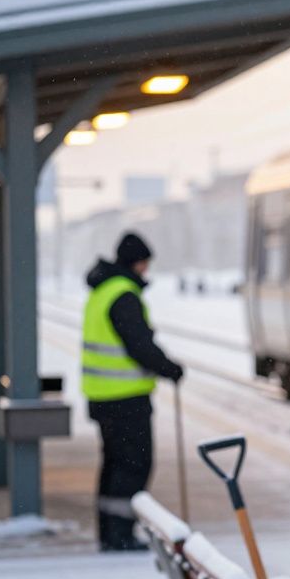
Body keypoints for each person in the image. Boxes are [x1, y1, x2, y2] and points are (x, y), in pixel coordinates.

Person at [81, 232, 184, 551]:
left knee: (114, 465)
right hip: (125, 399)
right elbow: (139, 346)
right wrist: (170, 368)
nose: (146, 270)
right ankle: (120, 535)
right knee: (132, 466)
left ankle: (111, 533)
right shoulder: (124, 295)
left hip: (103, 396)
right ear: (136, 263)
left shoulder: (103, 292)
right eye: (145, 264)